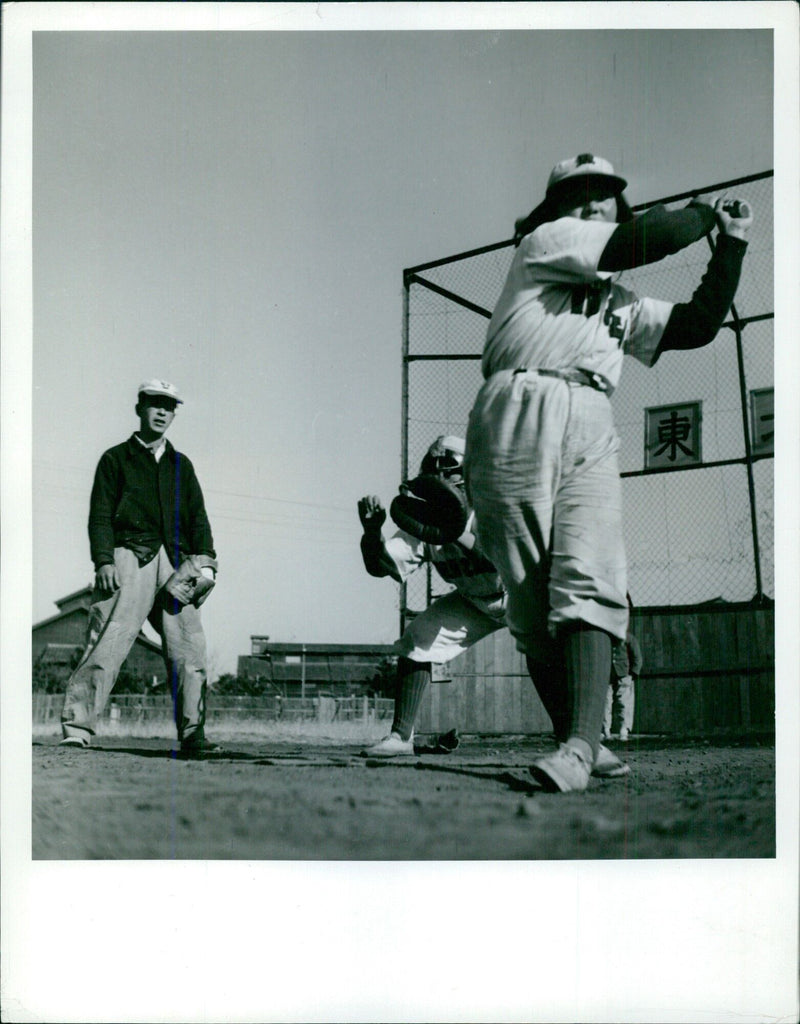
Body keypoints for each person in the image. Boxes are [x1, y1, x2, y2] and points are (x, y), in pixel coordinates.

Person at [464, 153, 752, 792]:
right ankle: (579, 736)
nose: (593, 205)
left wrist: (729, 246)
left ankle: (578, 746)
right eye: (579, 195)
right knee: (533, 605)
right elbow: (641, 238)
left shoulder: (620, 301)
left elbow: (698, 325)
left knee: (590, 574)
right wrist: (703, 212)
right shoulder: (546, 242)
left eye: (605, 195)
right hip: (516, 406)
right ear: (555, 210)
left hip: (590, 412)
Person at [59, 379, 221, 757]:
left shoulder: (183, 465)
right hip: (128, 557)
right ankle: (78, 726)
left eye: (169, 406)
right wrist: (103, 560)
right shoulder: (115, 458)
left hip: (177, 564)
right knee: (107, 641)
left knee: (189, 648)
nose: (162, 412)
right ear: (139, 409)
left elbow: (198, 518)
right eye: (155, 404)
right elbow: (99, 515)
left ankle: (194, 734)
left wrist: (208, 561)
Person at [357, 436, 507, 757]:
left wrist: (453, 530)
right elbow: (379, 567)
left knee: (559, 653)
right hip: (474, 600)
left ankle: (581, 742)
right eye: (432, 471)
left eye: (449, 471)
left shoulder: (496, 504)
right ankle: (401, 737)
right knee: (417, 639)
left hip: (526, 594)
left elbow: (495, 562)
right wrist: (371, 534)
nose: (439, 480)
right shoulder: (426, 519)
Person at [603, 629, 643, 742]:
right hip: (606, 674)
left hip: (624, 674)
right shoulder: (604, 638)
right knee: (605, 702)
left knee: (624, 702)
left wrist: (633, 673)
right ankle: (605, 730)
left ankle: (623, 730)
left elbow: (637, 656)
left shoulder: (629, 638)